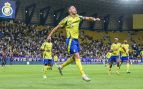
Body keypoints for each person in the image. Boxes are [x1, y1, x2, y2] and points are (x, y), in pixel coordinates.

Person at [47, 5, 100, 82]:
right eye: (73, 8)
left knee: (74, 58)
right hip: (70, 40)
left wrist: (94, 19)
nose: (75, 9)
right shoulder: (66, 19)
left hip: (76, 40)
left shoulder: (78, 17)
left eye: (75, 8)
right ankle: (83, 75)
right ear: (70, 11)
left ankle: (61, 66)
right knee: (77, 56)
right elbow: (57, 27)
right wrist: (49, 35)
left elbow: (86, 18)